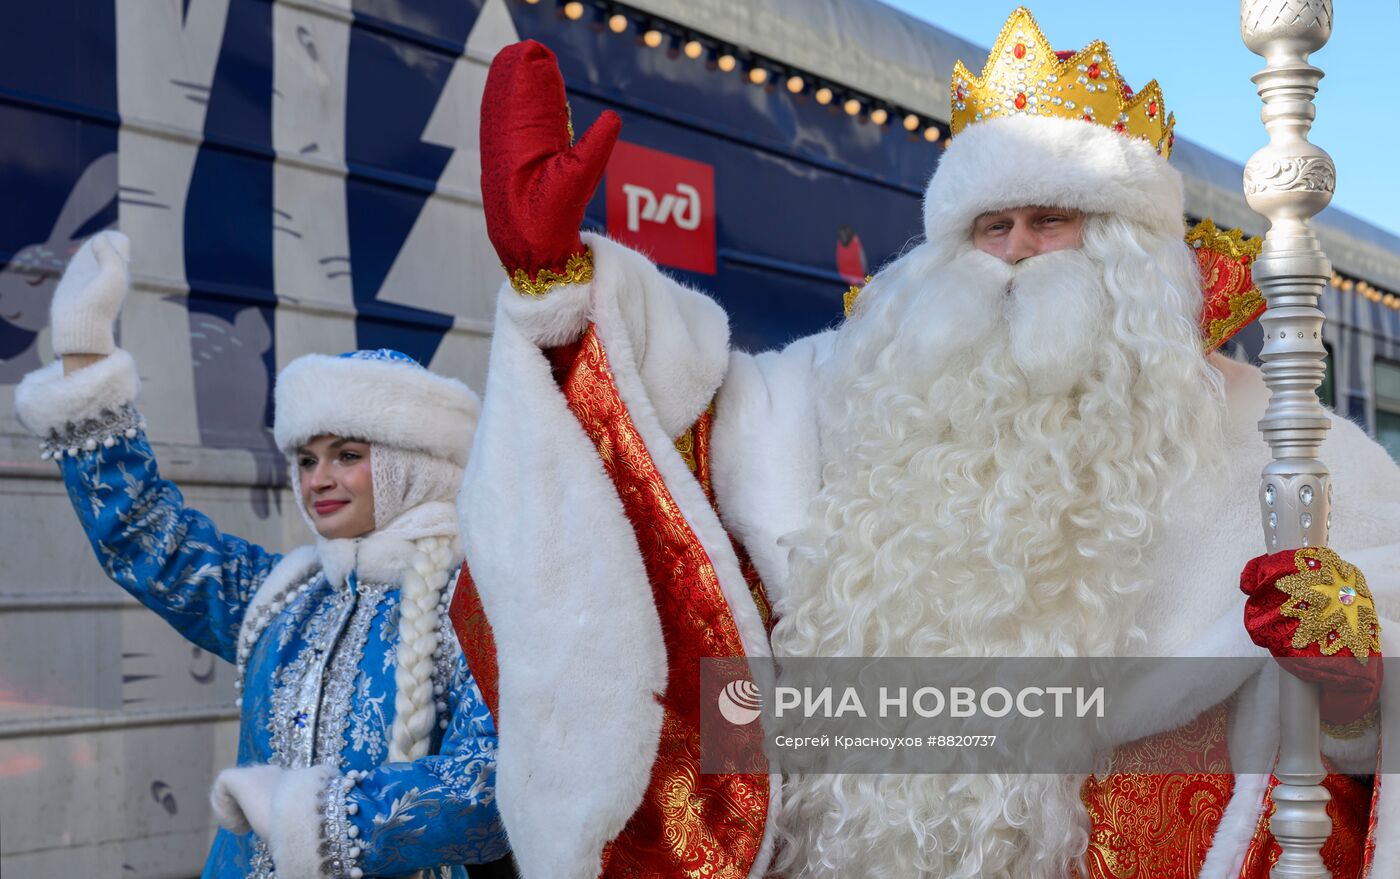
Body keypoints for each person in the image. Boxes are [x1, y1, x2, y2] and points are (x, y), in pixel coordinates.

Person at [454, 10, 1400, 879]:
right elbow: (668, 452)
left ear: (1126, 248)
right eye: (994, 224)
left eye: (1051, 220)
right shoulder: (847, 389)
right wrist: (563, 291)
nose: (1018, 250)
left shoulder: (1278, 447)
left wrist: (1355, 684)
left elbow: (1361, 723)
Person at [15, 231, 510, 878]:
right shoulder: (285, 594)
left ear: (410, 465)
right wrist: (84, 353)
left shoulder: (478, 607)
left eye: (348, 456)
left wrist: (307, 816)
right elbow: (147, 537)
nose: (318, 479)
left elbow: (488, 790)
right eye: (307, 459)